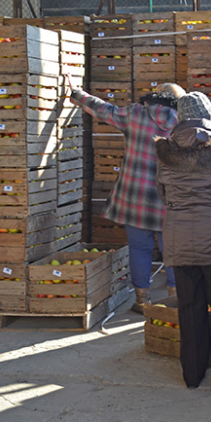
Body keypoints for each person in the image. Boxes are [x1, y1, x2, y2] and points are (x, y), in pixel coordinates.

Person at [154, 91, 211, 390]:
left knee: (190, 307)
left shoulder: (166, 151)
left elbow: (163, 192)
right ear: (208, 113)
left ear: (180, 117)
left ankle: (192, 376)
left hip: (180, 238)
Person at [69, 82, 186, 313]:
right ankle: (176, 302)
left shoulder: (135, 114)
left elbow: (104, 110)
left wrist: (76, 94)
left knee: (139, 248)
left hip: (135, 198)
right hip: (170, 199)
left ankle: (142, 301)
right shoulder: (183, 122)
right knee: (174, 250)